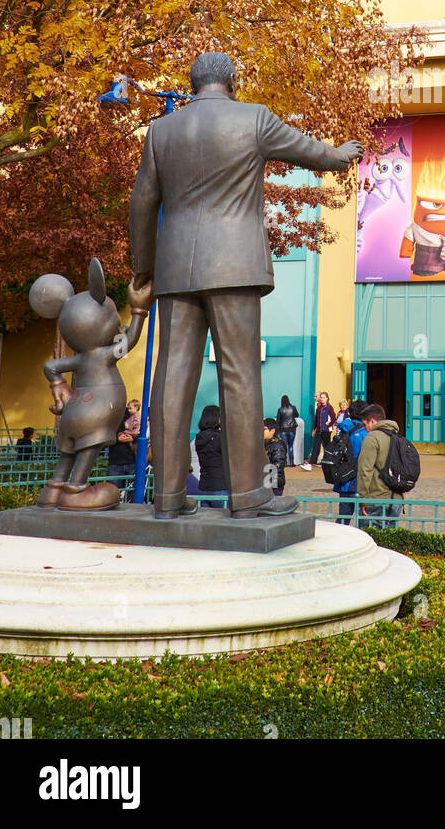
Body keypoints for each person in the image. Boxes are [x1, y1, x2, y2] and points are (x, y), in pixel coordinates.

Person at [129, 49, 362, 520]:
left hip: (175, 271)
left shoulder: (161, 130)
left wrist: (144, 270)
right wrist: (339, 157)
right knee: (239, 376)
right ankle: (249, 494)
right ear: (232, 81)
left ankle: (168, 497)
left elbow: (140, 203)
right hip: (234, 266)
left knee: (171, 378)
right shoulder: (253, 119)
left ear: (192, 84)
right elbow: (309, 150)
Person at [356, 403, 402, 529]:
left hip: (376, 498)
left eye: (365, 424)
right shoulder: (397, 437)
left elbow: (365, 470)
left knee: (370, 541)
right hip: (396, 499)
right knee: (389, 543)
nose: (365, 428)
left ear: (372, 421)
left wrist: (362, 499)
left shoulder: (372, 438)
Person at [333, 400, 367, 522]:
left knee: (343, 519)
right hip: (359, 480)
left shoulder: (343, 429)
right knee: (363, 519)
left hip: (344, 478)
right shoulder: (364, 433)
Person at [195, 404, 228, 507]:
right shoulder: (219, 438)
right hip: (220, 488)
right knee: (223, 521)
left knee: (206, 521)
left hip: (203, 487)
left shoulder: (199, 438)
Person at [301, 392, 337, 470]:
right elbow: (316, 420)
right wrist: (314, 429)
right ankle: (312, 462)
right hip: (319, 430)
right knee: (316, 446)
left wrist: (329, 424)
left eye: (324, 397)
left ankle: (326, 461)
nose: (322, 399)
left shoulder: (329, 407)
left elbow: (334, 418)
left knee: (326, 446)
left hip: (326, 430)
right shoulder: (319, 408)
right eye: (321, 397)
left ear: (327, 398)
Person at [106, 424, 137, 499]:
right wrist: (117, 439)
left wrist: (133, 438)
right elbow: (104, 437)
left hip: (132, 461)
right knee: (113, 494)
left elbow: (144, 433)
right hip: (115, 462)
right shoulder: (112, 418)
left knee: (132, 494)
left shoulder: (136, 415)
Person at [263, 418, 287, 496]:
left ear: (272, 430)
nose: (261, 431)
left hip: (273, 484)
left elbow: (277, 466)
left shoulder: (277, 445)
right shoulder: (265, 443)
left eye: (264, 429)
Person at [277, 395, 298, 465]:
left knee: (284, 447)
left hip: (283, 430)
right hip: (292, 430)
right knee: (291, 446)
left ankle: (285, 462)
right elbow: (297, 415)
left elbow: (278, 421)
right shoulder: (293, 408)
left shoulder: (280, 409)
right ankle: (292, 462)